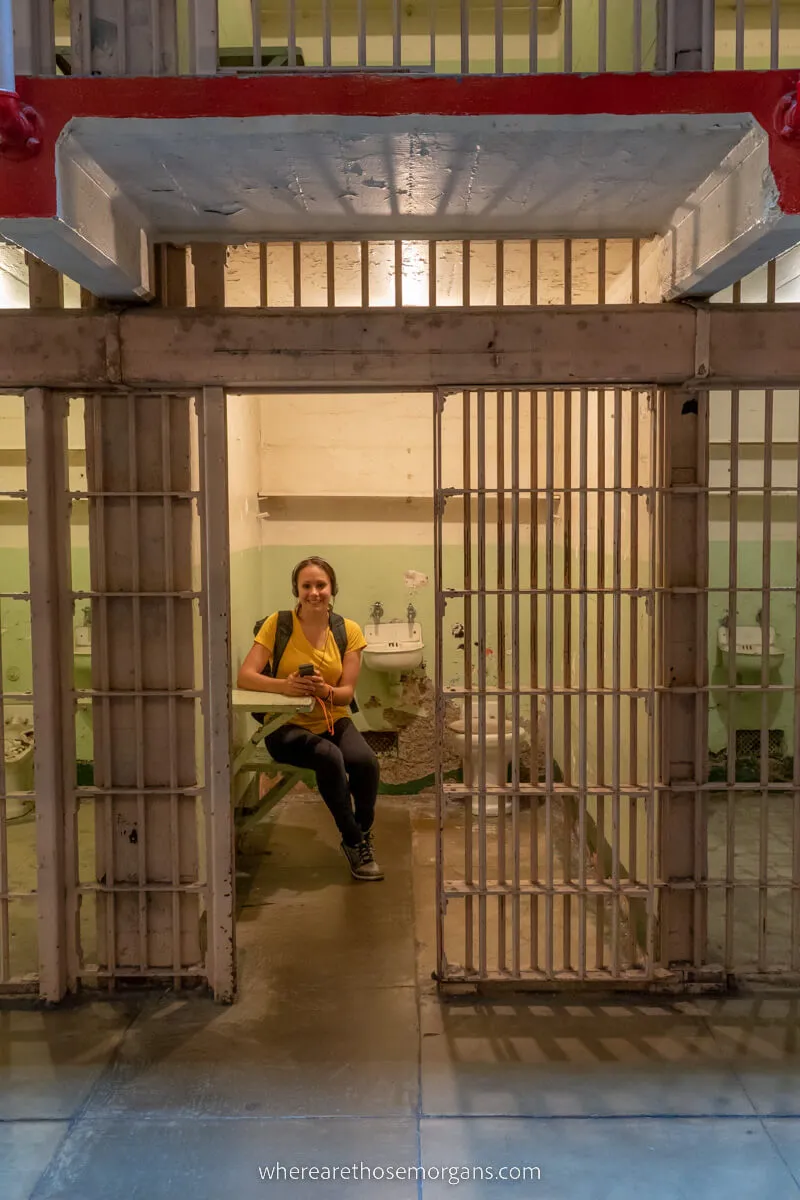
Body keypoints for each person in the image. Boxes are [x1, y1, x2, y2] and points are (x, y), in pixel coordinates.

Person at [237, 556, 383, 882]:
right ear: (297, 590)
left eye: (321, 585)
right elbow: (245, 676)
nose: (314, 592)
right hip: (285, 725)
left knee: (366, 763)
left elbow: (346, 694)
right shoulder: (279, 624)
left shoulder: (348, 631)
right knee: (329, 756)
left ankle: (362, 829)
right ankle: (353, 842)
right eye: (307, 586)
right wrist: (285, 687)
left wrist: (326, 690)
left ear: (332, 589)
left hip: (332, 717)